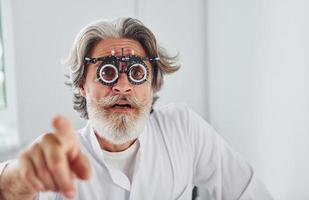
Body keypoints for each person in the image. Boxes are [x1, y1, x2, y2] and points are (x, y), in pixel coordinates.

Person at [0, 17, 273, 200]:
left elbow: (248, 192)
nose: (122, 85)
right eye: (107, 72)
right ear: (82, 85)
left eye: (137, 72)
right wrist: (18, 178)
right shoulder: (58, 155)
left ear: (153, 82)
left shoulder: (182, 129)